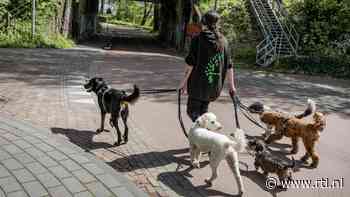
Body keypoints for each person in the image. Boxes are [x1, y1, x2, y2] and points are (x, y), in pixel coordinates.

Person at [178, 10, 237, 122]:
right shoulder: (224, 41)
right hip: (213, 87)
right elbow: (229, 65)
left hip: (197, 86)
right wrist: (232, 86)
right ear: (218, 23)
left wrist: (183, 83)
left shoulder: (198, 39)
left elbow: (190, 63)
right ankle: (205, 133)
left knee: (193, 113)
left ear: (203, 22)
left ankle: (205, 133)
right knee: (203, 113)